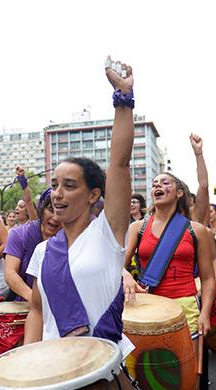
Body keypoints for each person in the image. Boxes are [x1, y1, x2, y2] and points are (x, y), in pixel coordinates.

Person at [24, 56, 136, 361]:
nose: (58, 194)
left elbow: (120, 163)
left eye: (70, 186)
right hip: (52, 368)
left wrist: (123, 100)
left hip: (101, 366)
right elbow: (36, 310)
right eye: (55, 184)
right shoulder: (43, 252)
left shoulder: (108, 233)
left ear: (93, 195)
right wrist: (27, 362)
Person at [123, 172, 216, 390]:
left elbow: (210, 279)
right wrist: (125, 274)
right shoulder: (138, 227)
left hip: (185, 312)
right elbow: (119, 265)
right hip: (147, 311)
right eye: (154, 184)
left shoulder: (197, 230)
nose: (157, 186)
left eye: (165, 183)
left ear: (179, 193)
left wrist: (204, 313)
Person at [4, 190, 61, 302]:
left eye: (60, 211)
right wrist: (34, 299)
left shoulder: (69, 238)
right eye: (51, 210)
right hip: (25, 305)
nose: (55, 217)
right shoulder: (19, 234)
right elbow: (10, 273)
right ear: (42, 210)